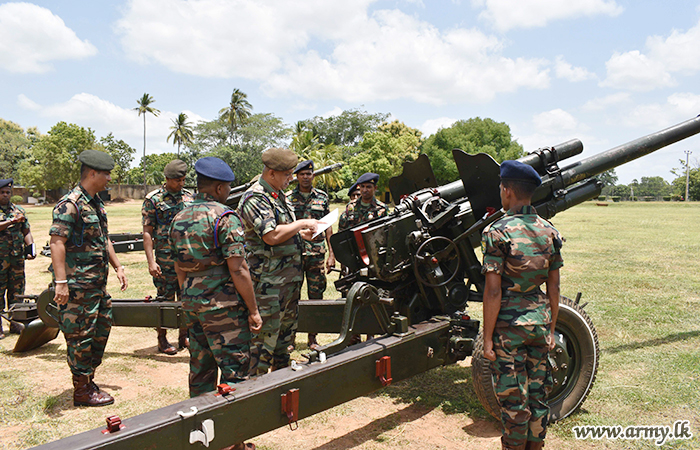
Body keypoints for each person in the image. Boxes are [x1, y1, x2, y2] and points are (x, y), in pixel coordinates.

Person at [169, 156, 261, 450]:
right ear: (220, 187)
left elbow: (178, 265)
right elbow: (238, 268)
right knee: (236, 373)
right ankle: (233, 441)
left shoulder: (179, 217)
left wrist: (189, 295)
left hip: (192, 301)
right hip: (223, 305)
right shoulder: (225, 217)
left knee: (201, 371)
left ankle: (201, 439)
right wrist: (254, 309)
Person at [480, 160, 562, 450]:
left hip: (508, 329)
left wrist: (487, 340)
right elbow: (554, 286)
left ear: (507, 191)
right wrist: (551, 328)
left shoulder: (496, 232)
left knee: (515, 405)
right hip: (540, 323)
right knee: (538, 400)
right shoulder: (549, 231)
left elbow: (492, 292)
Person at [49, 149, 128, 407]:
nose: (109, 179)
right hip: (77, 287)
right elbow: (57, 242)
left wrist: (117, 266)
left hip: (96, 285)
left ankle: (88, 379)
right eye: (106, 174)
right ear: (92, 173)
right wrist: (61, 283)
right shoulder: (70, 204)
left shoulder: (95, 202)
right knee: (80, 336)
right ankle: (81, 391)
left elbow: (104, 239)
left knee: (101, 329)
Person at [237, 147, 318, 375]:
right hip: (268, 287)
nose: (291, 179)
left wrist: (301, 234)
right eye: (287, 174)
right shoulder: (255, 198)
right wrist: (302, 223)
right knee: (262, 348)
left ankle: (280, 389)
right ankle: (255, 396)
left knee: (284, 344)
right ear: (271, 173)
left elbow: (282, 231)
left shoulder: (277, 196)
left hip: (287, 284)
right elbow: (270, 236)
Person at [142, 159, 193, 354]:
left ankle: (184, 336)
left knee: (186, 296)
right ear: (167, 179)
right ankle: (162, 338)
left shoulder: (189, 198)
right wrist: (151, 261)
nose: (180, 184)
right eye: (177, 180)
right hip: (164, 258)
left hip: (186, 257)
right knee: (164, 299)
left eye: (183, 180)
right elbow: (147, 232)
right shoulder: (154, 199)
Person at [286, 160, 335, 351]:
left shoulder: (322, 197)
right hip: (294, 254)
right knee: (292, 297)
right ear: (297, 176)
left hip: (316, 255)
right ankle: (290, 338)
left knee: (316, 296)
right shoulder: (288, 197)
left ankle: (312, 338)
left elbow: (328, 226)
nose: (306, 177)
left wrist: (331, 254)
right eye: (302, 174)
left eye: (309, 173)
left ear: (313, 175)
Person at [0, 178, 35, 338]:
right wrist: (11, 221)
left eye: (7, 192)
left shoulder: (18, 210)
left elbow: (26, 231)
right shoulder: (11, 216)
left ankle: (15, 322)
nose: (5, 195)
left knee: (17, 290)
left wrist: (30, 248)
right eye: (2, 192)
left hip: (17, 259)